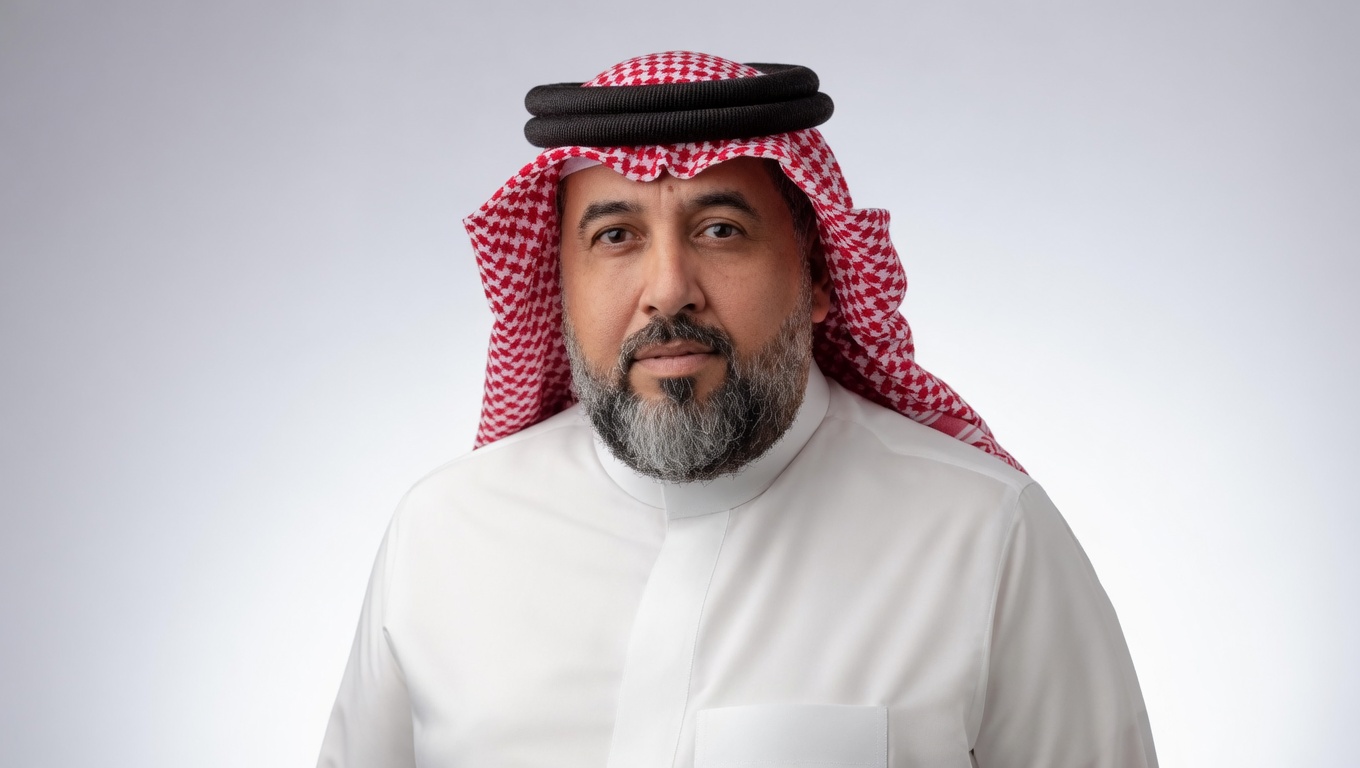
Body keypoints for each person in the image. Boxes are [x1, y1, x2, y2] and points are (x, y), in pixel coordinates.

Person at [318, 51, 1158, 768]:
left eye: (720, 229)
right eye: (616, 236)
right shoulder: (443, 533)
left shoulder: (984, 534)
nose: (668, 290)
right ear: (559, 285)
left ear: (818, 274)